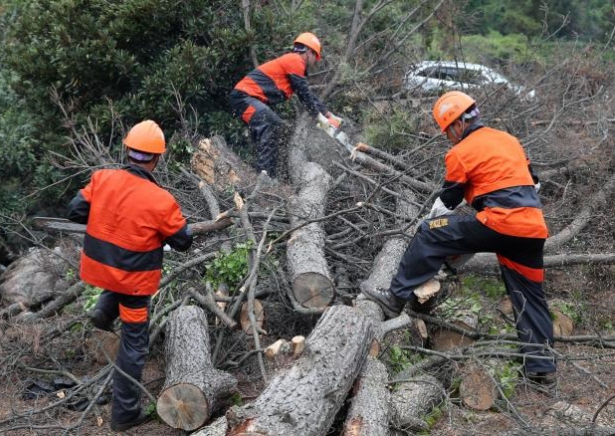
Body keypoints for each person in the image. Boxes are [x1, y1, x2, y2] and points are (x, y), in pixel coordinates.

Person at [363, 91, 556, 384]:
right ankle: (541, 369)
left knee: (431, 232)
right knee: (529, 295)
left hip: (501, 223)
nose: (448, 138)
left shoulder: (460, 152)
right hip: (533, 228)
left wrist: (430, 227)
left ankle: (394, 297)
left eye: (447, 132)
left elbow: (447, 203)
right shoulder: (508, 140)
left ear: (455, 125)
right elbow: (535, 183)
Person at [68, 120, 194, 431]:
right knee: (134, 346)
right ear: (157, 159)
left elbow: (75, 211)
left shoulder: (101, 179)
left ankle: (104, 308)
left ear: (127, 151)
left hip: (100, 269)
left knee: (121, 278)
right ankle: (124, 414)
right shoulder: (161, 200)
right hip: (134, 285)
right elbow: (183, 241)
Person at [230, 32, 341, 177]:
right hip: (243, 98)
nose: (315, 62)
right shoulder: (295, 60)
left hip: (247, 99)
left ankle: (262, 173)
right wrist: (320, 118)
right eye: (315, 57)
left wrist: (328, 114)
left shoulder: (293, 63)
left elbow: (308, 94)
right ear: (309, 52)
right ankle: (264, 176)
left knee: (274, 126)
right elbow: (304, 95)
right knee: (271, 124)